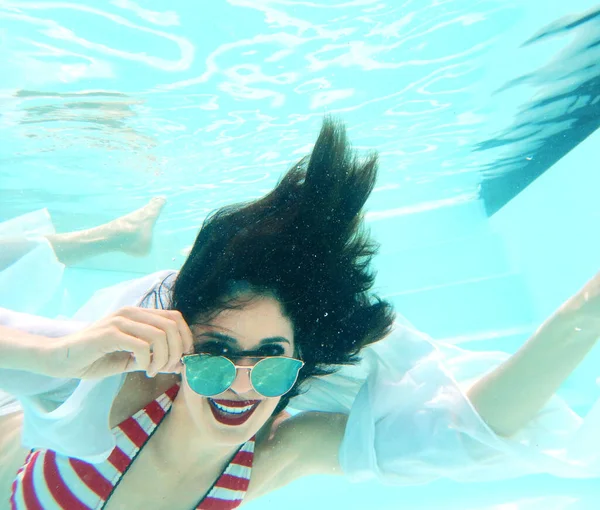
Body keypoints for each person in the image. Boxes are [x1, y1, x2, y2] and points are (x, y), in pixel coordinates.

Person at [1, 118, 600, 509]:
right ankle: (104, 239)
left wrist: (588, 311)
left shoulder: (271, 458)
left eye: (271, 362)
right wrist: (58, 355)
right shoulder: (120, 391)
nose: (240, 382)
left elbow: (470, 427)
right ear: (180, 352)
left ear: (297, 368)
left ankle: (112, 240)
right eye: (213, 356)